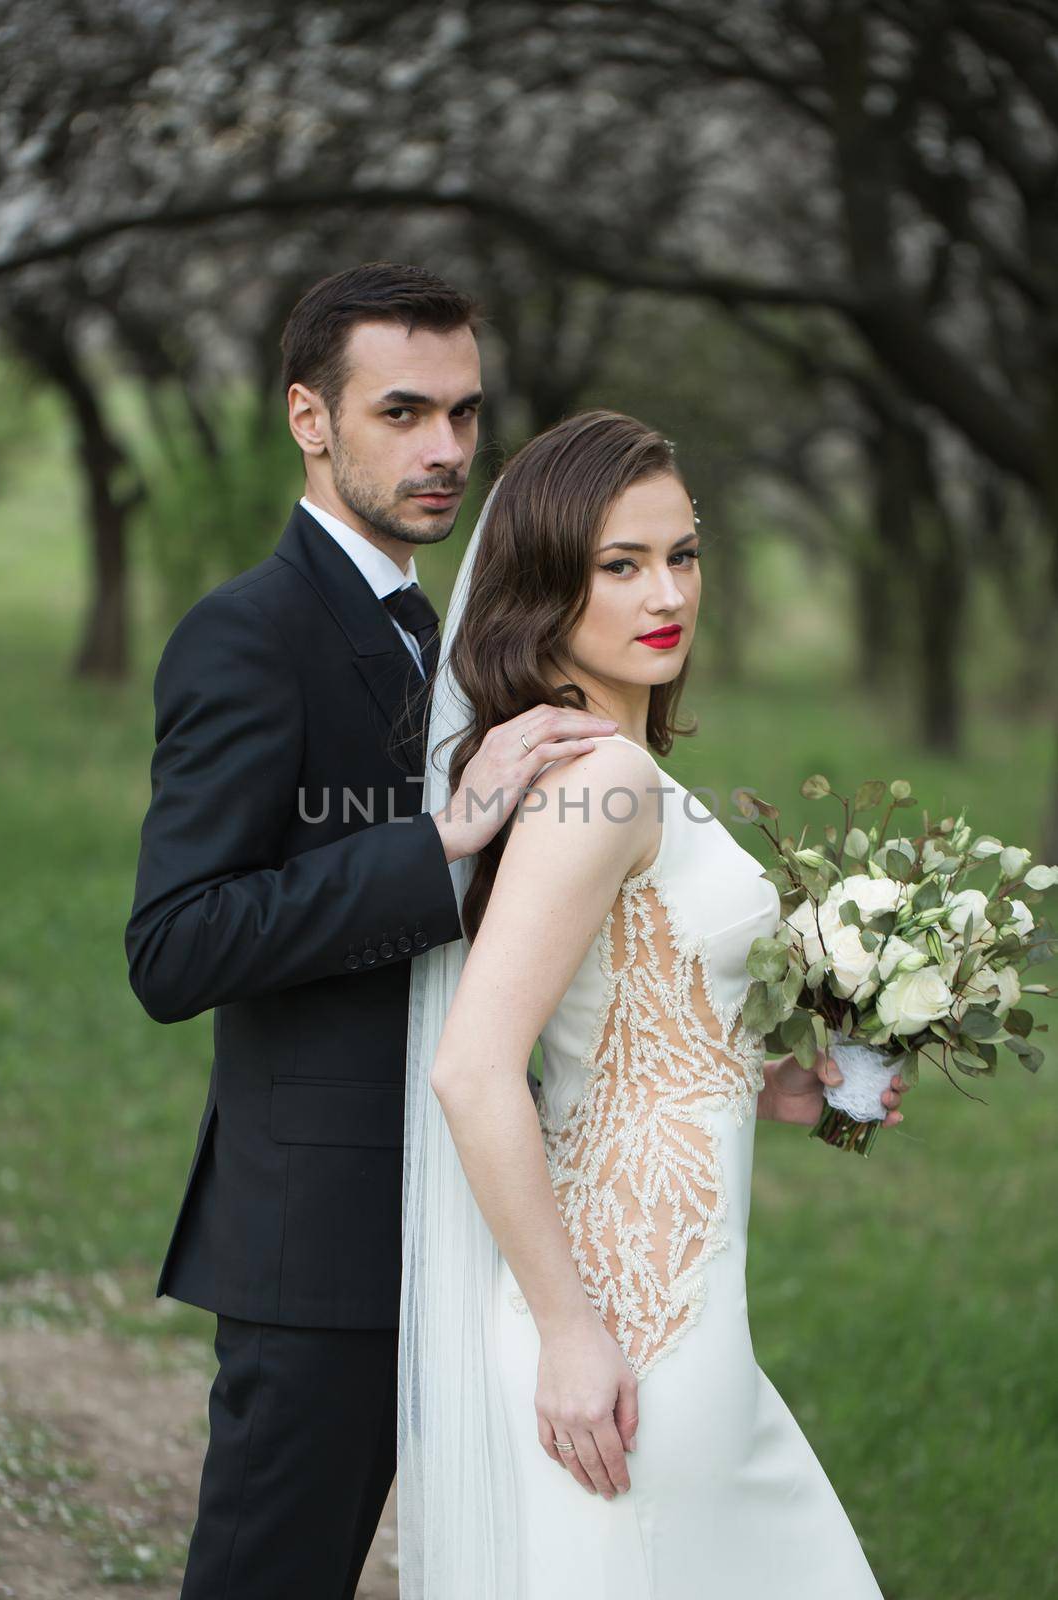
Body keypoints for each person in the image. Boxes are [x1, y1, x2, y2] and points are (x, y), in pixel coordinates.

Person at [124, 261, 618, 1599]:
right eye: (403, 412)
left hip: (480, 1210)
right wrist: (432, 843)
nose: (447, 449)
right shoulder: (245, 637)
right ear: (307, 416)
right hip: (323, 1238)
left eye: (464, 414)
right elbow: (174, 946)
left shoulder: (454, 642)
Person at [398, 409, 909, 1598]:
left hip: (682, 1295)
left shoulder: (616, 770)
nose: (663, 590)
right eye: (618, 565)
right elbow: (473, 1070)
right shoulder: (607, 779)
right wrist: (573, 1335)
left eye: (679, 554)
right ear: (545, 587)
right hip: (626, 1316)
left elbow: (630, 1020)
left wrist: (785, 1088)